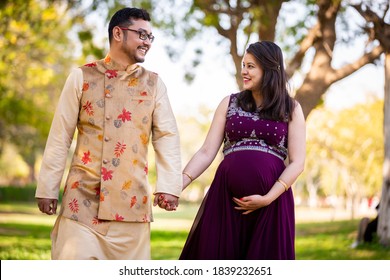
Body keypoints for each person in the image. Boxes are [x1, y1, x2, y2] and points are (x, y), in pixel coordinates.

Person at [35, 7, 182, 260]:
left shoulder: (154, 83)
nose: (147, 42)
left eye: (150, 37)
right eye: (141, 34)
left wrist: (170, 187)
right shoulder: (81, 76)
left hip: (132, 208)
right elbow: (61, 135)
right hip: (81, 203)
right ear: (118, 33)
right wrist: (48, 188)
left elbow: (167, 136)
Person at [179, 41, 306, 260]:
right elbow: (207, 151)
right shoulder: (229, 103)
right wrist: (179, 183)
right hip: (225, 200)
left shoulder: (291, 108)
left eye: (250, 66)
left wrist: (268, 198)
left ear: (269, 68)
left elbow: (297, 162)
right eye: (243, 65)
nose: (243, 71)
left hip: (271, 204)